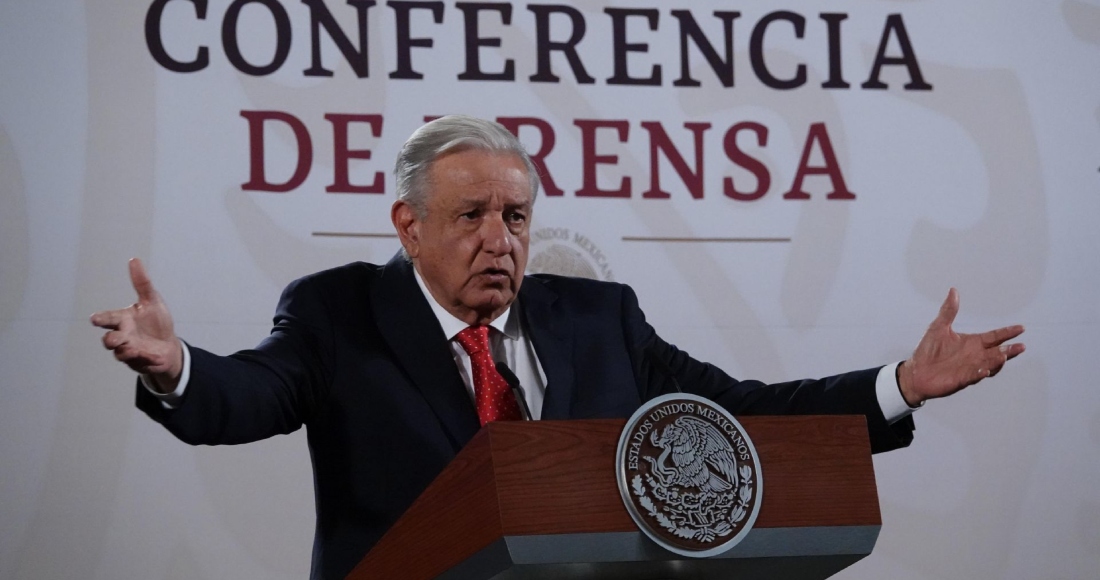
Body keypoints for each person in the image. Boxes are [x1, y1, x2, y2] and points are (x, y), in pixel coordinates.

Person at [90, 115, 1025, 580]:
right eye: (472, 216)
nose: (501, 239)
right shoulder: (340, 313)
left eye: (517, 216)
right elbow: (254, 392)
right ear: (408, 226)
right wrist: (178, 368)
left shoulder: (599, 317)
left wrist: (898, 386)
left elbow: (733, 416)